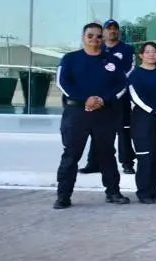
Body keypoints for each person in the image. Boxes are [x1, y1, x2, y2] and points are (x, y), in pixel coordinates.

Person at [53, 22, 131, 209]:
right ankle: (63, 196)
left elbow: (121, 85)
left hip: (104, 113)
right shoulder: (70, 59)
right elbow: (62, 83)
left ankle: (113, 192)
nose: (94, 39)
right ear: (83, 37)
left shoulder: (112, 60)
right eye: (90, 36)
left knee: (107, 154)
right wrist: (84, 99)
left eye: (98, 36)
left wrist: (103, 99)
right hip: (77, 113)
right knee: (71, 155)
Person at [80, 18, 135, 175]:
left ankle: (127, 163)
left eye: (114, 28)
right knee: (96, 130)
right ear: (103, 32)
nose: (112, 31)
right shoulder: (98, 48)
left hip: (119, 96)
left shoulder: (126, 49)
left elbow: (129, 70)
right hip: (100, 98)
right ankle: (93, 163)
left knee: (123, 130)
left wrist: (115, 85)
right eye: (108, 28)